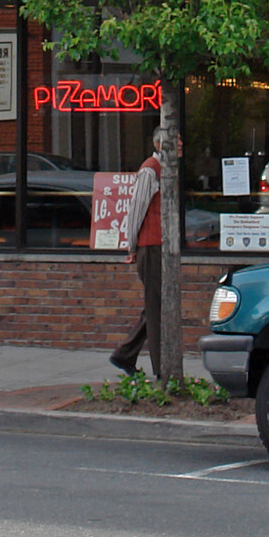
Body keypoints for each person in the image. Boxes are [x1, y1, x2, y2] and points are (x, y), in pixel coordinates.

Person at [110, 134, 166, 376]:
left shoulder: (165, 170)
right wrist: (131, 246)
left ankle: (125, 355)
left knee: (157, 305)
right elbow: (136, 209)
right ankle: (162, 369)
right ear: (158, 144)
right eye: (176, 140)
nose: (181, 145)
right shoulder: (149, 170)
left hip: (159, 246)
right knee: (155, 308)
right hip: (150, 247)